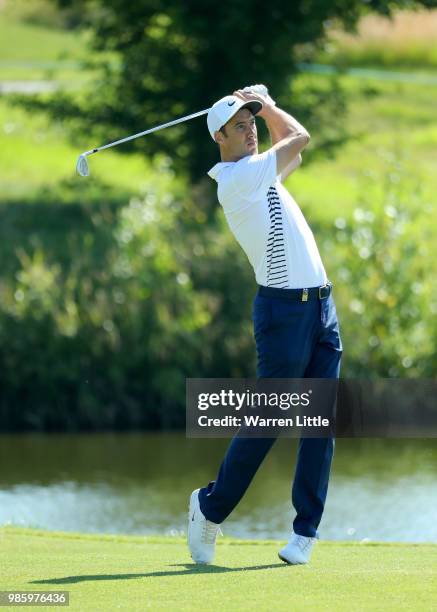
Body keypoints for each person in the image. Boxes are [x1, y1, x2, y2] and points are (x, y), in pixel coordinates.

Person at [188, 86, 342, 565]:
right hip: (283, 315)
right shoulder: (237, 180)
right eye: (240, 126)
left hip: (320, 307)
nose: (250, 130)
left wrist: (260, 106)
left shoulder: (260, 175)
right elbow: (299, 137)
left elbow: (289, 149)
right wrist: (269, 102)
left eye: (252, 122)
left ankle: (305, 533)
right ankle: (208, 508)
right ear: (219, 138)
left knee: (321, 424)